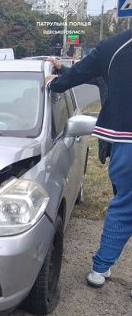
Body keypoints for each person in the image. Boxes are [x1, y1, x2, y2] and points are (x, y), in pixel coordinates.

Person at [45, 29, 132, 290]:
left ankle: (101, 268)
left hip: (127, 142)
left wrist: (54, 82)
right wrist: (63, 69)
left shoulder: (117, 45)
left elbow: (83, 72)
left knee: (125, 205)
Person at [48, 58, 115, 193]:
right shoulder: (108, 73)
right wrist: (61, 68)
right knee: (120, 182)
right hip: (115, 140)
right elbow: (82, 75)